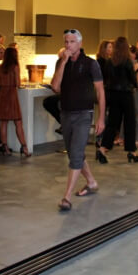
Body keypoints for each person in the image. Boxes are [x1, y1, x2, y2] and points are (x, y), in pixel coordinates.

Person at [51, 29, 105, 211]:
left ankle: (66, 197)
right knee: (76, 153)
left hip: (84, 114)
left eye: (72, 41)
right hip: (66, 113)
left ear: (80, 44)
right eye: (66, 41)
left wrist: (101, 118)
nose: (68, 45)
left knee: (75, 154)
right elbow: (55, 87)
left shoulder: (91, 64)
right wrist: (63, 62)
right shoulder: (61, 62)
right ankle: (91, 182)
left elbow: (100, 91)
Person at [98, 37, 138, 163]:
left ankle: (103, 149)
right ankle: (132, 152)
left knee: (112, 123)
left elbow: (106, 78)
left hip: (112, 95)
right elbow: (133, 79)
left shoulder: (109, 62)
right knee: (130, 122)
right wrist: (135, 85)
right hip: (126, 95)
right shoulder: (127, 62)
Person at [0, 47, 30, 157]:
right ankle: (24, 147)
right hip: (11, 95)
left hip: (2, 95)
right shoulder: (15, 67)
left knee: (3, 123)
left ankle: (5, 148)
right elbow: (18, 83)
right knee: (18, 122)